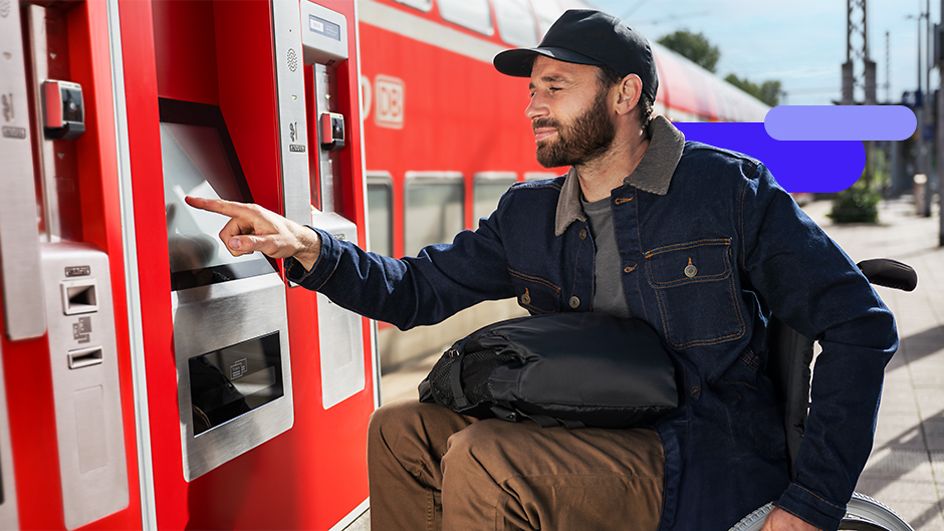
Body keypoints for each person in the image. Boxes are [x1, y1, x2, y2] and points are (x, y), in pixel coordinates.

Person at [186, 9, 897, 531]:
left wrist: (811, 503)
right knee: (398, 429)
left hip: (702, 448)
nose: (533, 106)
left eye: (555, 87)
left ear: (623, 95)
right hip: (581, 424)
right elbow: (417, 289)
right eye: (532, 89)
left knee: (486, 458)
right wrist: (308, 244)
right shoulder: (529, 214)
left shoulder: (726, 192)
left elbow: (860, 323)